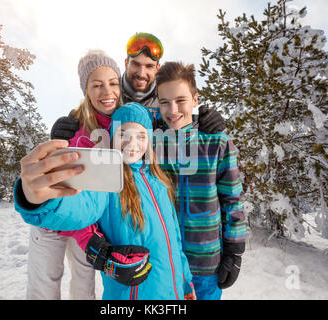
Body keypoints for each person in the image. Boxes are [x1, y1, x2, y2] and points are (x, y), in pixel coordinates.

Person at [14, 103, 196, 300]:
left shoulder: (160, 182)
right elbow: (81, 207)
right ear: (110, 137)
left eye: (141, 136)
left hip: (174, 294)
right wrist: (39, 198)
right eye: (123, 134)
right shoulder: (107, 181)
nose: (132, 142)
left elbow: (175, 240)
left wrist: (186, 283)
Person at [21, 50, 151, 300]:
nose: (107, 92)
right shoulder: (74, 127)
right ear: (86, 90)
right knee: (44, 287)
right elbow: (62, 181)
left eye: (113, 83)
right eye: (97, 85)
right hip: (53, 220)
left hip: (86, 224)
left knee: (84, 286)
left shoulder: (123, 126)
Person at [154, 61, 246, 300]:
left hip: (206, 264)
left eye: (180, 100)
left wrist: (234, 252)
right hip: (165, 264)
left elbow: (232, 201)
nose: (172, 109)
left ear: (195, 100)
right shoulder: (152, 145)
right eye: (164, 102)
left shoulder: (217, 143)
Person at [50, 32, 226, 141]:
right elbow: (91, 113)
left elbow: (179, 120)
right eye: (136, 64)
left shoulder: (164, 99)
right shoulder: (111, 93)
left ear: (157, 68)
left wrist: (203, 122)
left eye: (149, 66)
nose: (142, 73)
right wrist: (68, 127)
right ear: (126, 63)